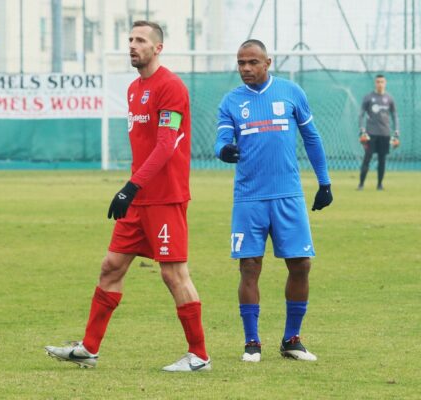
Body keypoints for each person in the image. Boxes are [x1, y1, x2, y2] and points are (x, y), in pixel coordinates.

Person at [45, 20, 210, 372]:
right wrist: (133, 191)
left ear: (158, 47)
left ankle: (199, 356)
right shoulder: (135, 88)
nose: (132, 46)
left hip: (164, 197)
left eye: (140, 40)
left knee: (174, 274)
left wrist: (130, 187)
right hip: (138, 199)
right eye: (130, 39)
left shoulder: (171, 87)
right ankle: (88, 348)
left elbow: (167, 145)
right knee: (111, 267)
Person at [214, 39, 332, 363]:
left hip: (288, 195)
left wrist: (324, 182)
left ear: (268, 62)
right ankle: (252, 343)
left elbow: (312, 138)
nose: (246, 69)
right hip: (249, 198)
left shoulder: (292, 93)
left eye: (252, 62)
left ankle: (292, 339)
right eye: (241, 63)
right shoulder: (231, 101)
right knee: (249, 267)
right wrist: (224, 150)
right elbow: (221, 139)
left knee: (301, 265)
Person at [358, 74, 400, 190]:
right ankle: (361, 184)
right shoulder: (368, 97)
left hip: (385, 134)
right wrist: (362, 130)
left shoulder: (389, 99)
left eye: (382, 82)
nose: (380, 84)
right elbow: (361, 114)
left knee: (382, 160)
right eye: (378, 82)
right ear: (375, 83)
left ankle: (379, 185)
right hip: (370, 134)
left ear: (385, 83)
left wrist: (396, 132)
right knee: (367, 158)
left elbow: (395, 115)